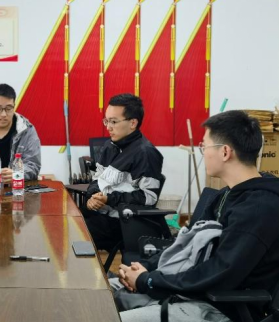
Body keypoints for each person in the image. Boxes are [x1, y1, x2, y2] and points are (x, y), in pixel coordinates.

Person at [115, 110, 279, 322]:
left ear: (225, 152)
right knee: (106, 292)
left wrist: (149, 281)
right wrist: (148, 268)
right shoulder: (226, 195)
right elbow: (187, 245)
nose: (203, 152)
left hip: (220, 308)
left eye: (205, 146)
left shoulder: (258, 209)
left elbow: (219, 273)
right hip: (192, 293)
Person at [83, 93, 164, 251]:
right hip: (102, 214)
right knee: (67, 222)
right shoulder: (110, 146)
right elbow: (97, 179)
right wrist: (92, 197)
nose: (108, 127)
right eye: (106, 121)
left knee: (74, 233)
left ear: (133, 123)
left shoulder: (146, 153)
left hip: (123, 222)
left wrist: (109, 199)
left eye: (113, 122)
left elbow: (149, 198)